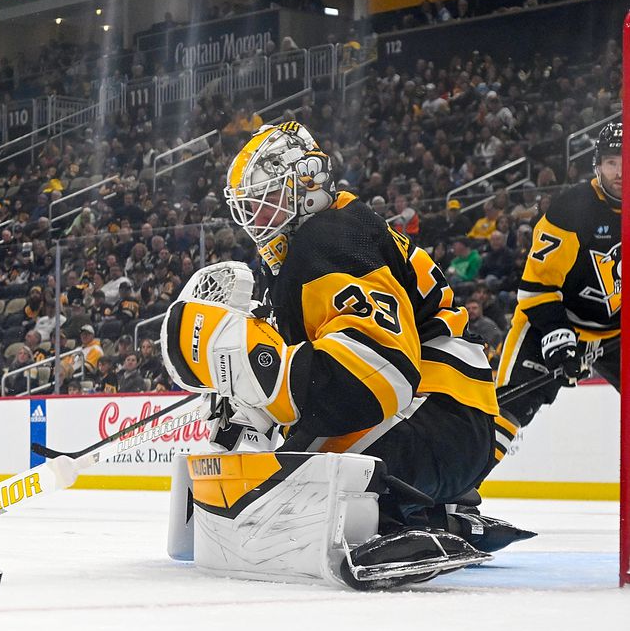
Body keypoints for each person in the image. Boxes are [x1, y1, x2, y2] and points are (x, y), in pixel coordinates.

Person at [163, 123, 529, 583]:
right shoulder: (326, 238)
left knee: (280, 471)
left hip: (434, 423)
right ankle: (434, 511)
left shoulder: (329, 237)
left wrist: (255, 367)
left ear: (306, 185)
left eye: (266, 197)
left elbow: (378, 374)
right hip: (448, 427)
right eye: (248, 205)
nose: (255, 214)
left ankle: (401, 513)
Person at [494, 123, 621, 436]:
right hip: (552, 319)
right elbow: (537, 287)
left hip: (615, 329)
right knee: (510, 410)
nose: (620, 171)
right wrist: (556, 332)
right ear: (598, 166)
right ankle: (462, 482)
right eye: (611, 162)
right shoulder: (572, 208)